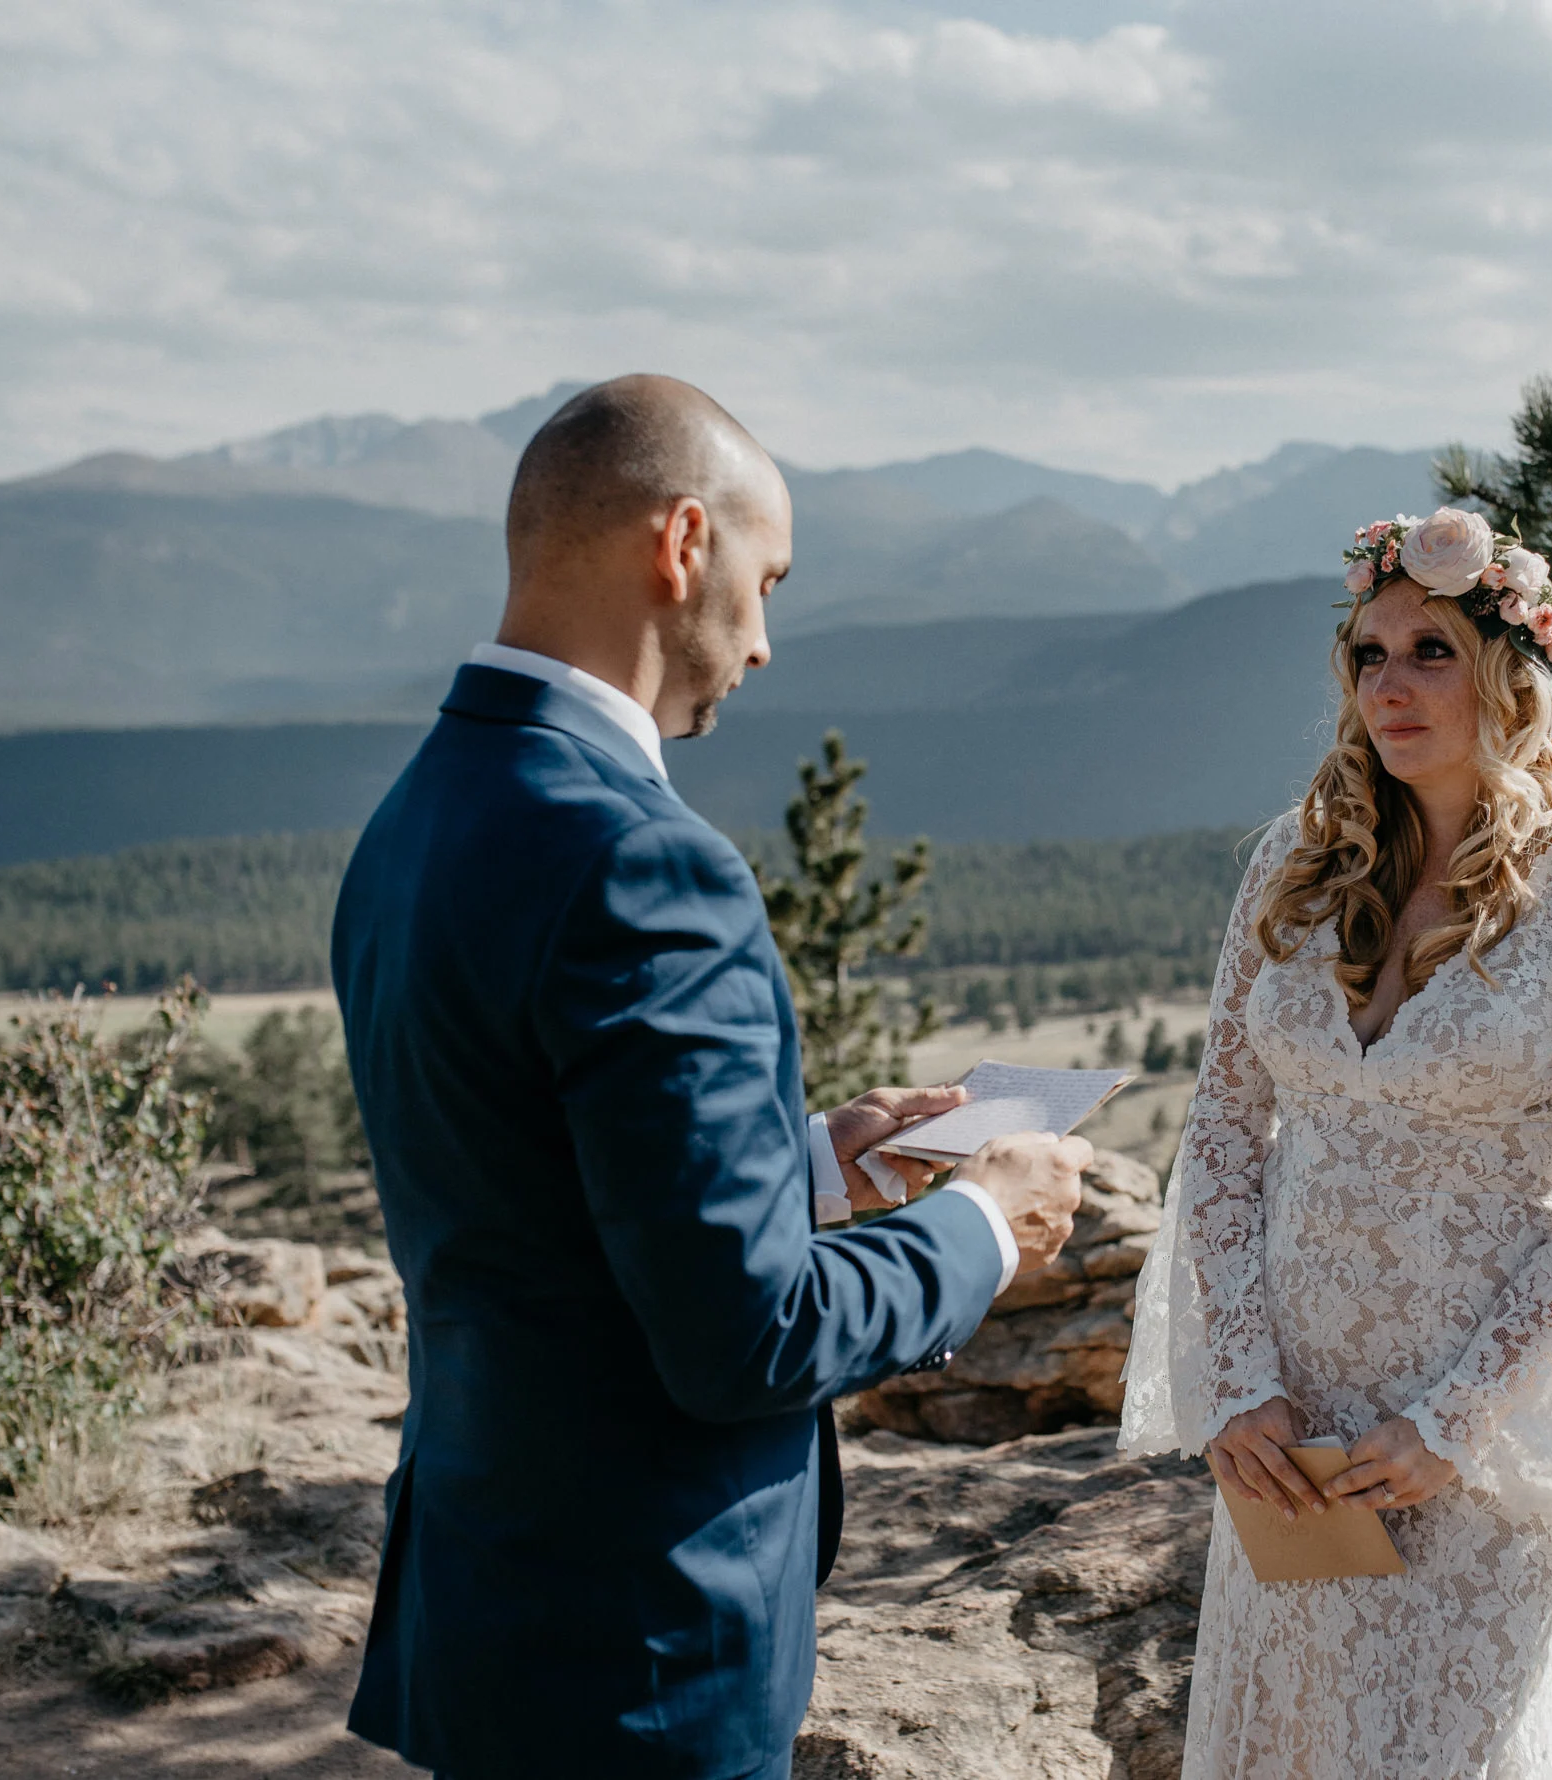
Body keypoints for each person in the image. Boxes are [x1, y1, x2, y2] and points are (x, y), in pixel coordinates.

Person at [331, 374, 1092, 1780]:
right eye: (767, 577)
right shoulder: (648, 863)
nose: (763, 639)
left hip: (488, 1602)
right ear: (682, 545)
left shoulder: (416, 816)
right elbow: (749, 1337)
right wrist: (984, 1222)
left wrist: (809, 1165)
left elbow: (530, 1178)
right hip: (643, 1651)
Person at [1121, 508, 1552, 1777]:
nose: (1391, 684)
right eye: (1368, 654)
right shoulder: (1295, 865)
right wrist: (1235, 1381)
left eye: (1430, 650)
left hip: (1470, 1442)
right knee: (1280, 1739)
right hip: (1289, 1432)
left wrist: (1455, 1417)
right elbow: (1222, 1130)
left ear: (1512, 672)